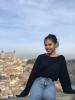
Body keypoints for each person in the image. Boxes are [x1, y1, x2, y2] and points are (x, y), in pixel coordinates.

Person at [16, 34, 75, 100]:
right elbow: (33, 74)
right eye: (45, 45)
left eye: (50, 44)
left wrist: (68, 89)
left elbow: (64, 76)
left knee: (50, 98)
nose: (47, 47)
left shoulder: (61, 59)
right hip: (38, 82)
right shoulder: (41, 57)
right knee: (35, 98)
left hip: (50, 84)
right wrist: (26, 91)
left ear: (55, 44)